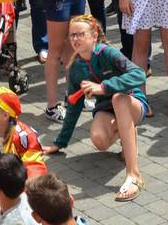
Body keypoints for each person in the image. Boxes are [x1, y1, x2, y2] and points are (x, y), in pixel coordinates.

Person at [43, 15, 147, 202]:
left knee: (118, 99)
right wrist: (60, 143)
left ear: (94, 35)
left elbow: (139, 74)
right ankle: (127, 132)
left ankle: (134, 175)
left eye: (80, 34)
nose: (75, 39)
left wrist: (105, 87)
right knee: (99, 141)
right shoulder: (75, 67)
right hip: (106, 110)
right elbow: (74, 106)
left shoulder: (107, 53)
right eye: (72, 35)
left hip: (132, 103)